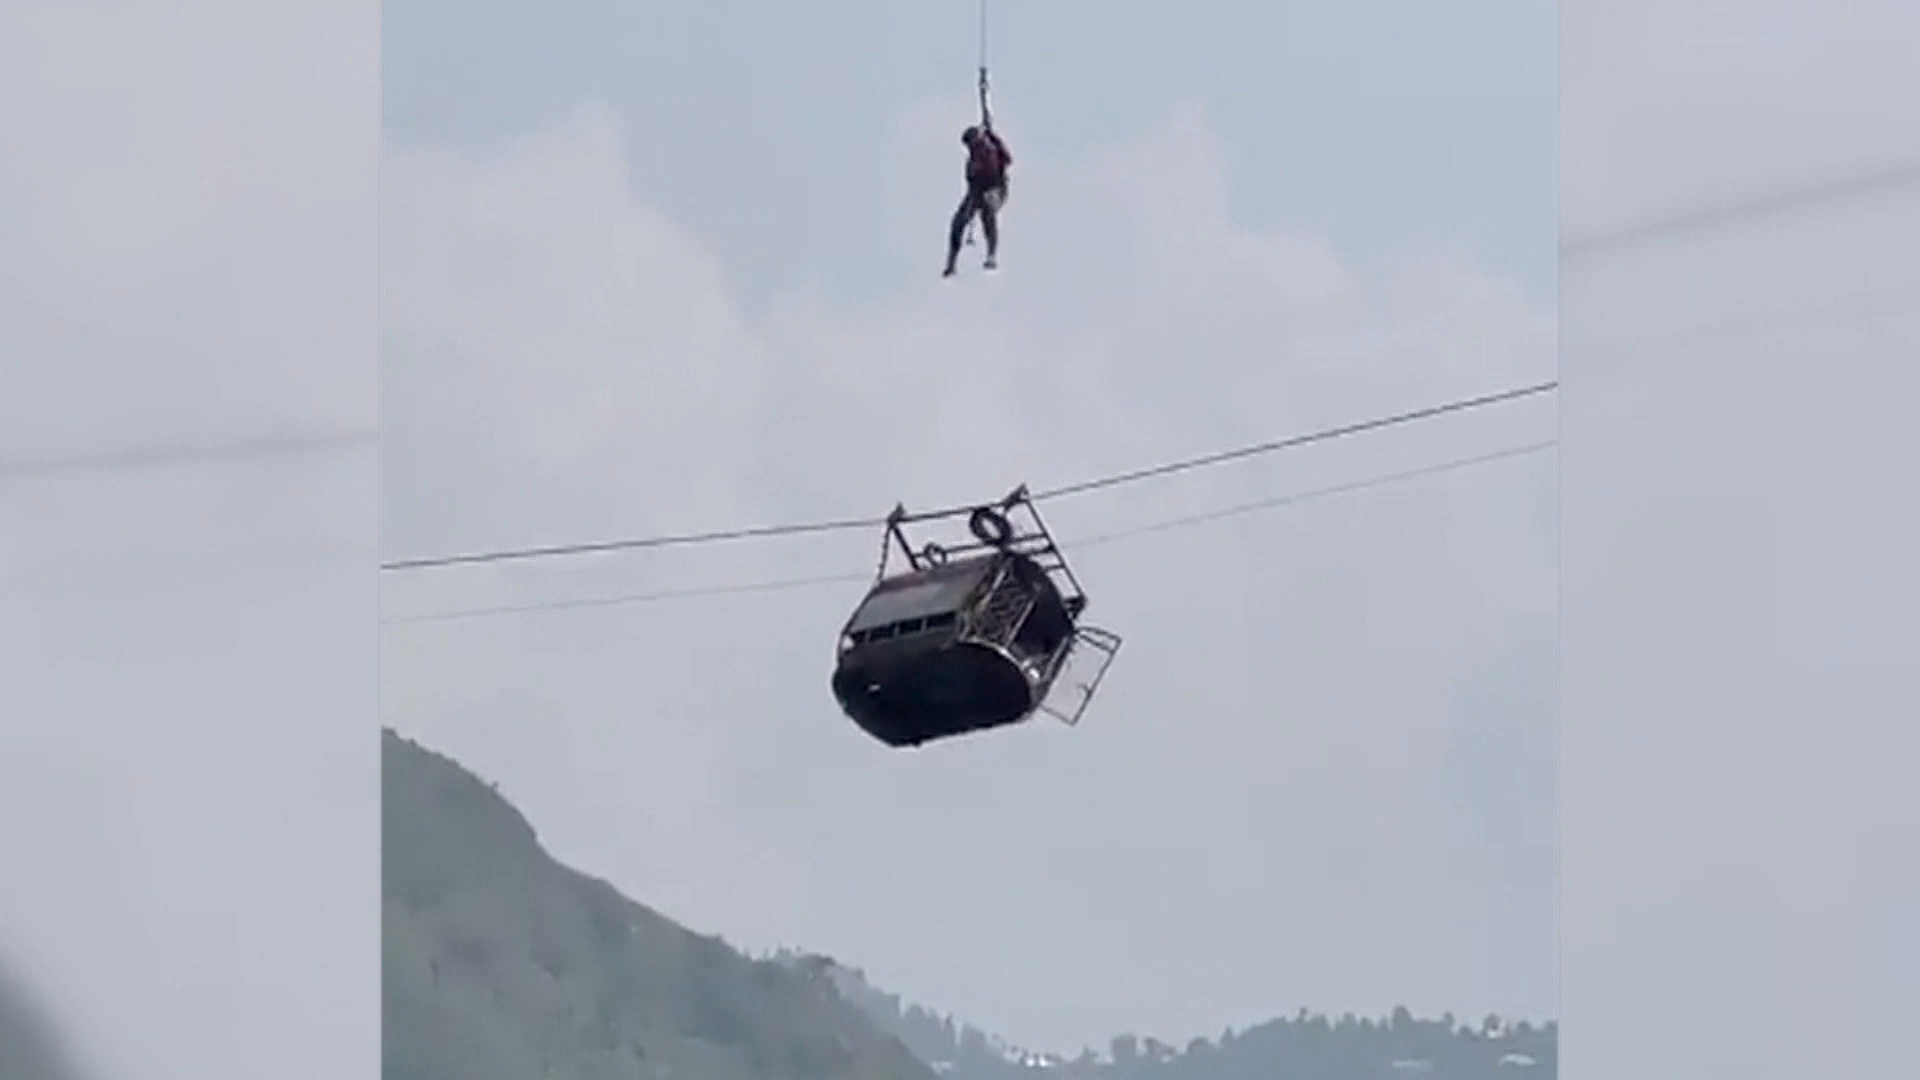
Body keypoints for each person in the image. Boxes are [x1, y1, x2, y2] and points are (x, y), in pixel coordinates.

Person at [943, 124, 1012, 277]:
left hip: (995, 190)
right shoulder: (974, 157)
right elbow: (971, 180)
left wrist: (993, 136)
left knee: (988, 214)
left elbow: (1007, 160)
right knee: (958, 223)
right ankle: (951, 263)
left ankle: (991, 254)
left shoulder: (991, 150)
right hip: (976, 193)